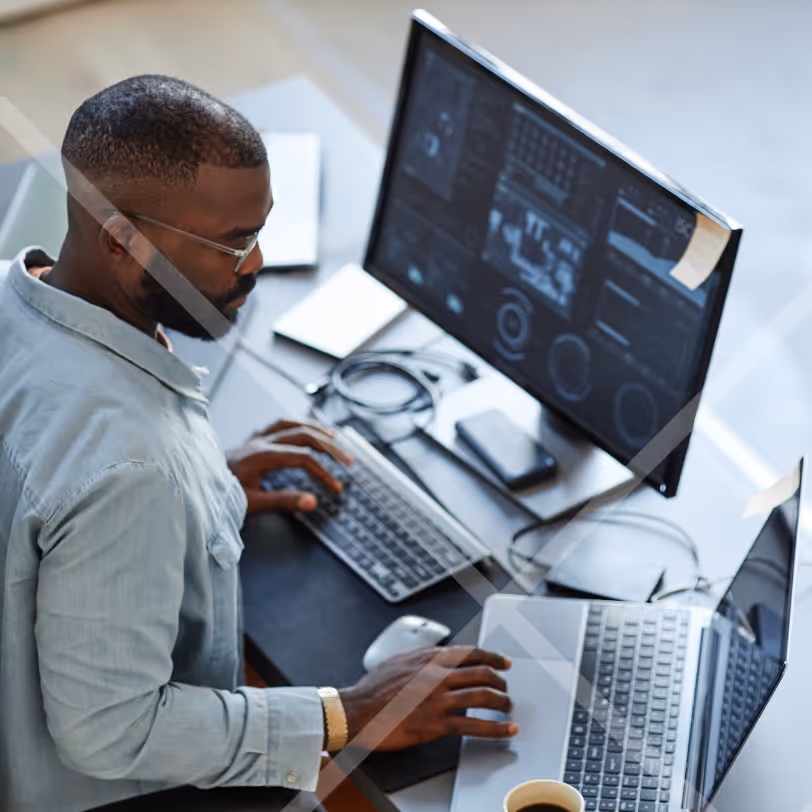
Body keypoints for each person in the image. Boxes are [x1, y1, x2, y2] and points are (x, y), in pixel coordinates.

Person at [0, 75, 517, 812]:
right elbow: (109, 733)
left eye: (261, 229)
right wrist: (347, 714)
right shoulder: (129, 468)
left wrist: (204, 491)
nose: (257, 264)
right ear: (123, 242)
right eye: (234, 244)